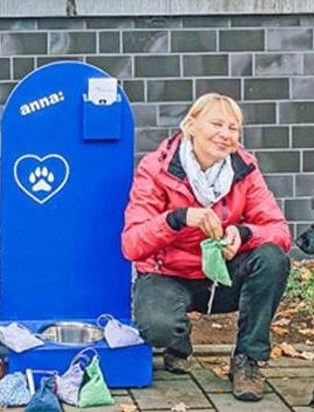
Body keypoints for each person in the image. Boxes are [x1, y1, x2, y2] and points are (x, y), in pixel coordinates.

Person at [122, 93, 291, 402]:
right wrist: (178, 218)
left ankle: (247, 361)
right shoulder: (156, 170)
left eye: (234, 128)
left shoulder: (246, 170)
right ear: (190, 125)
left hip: (221, 276)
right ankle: (178, 342)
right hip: (169, 274)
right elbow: (132, 244)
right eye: (216, 124)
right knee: (157, 326)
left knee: (272, 258)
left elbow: (280, 231)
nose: (225, 134)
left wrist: (243, 233)